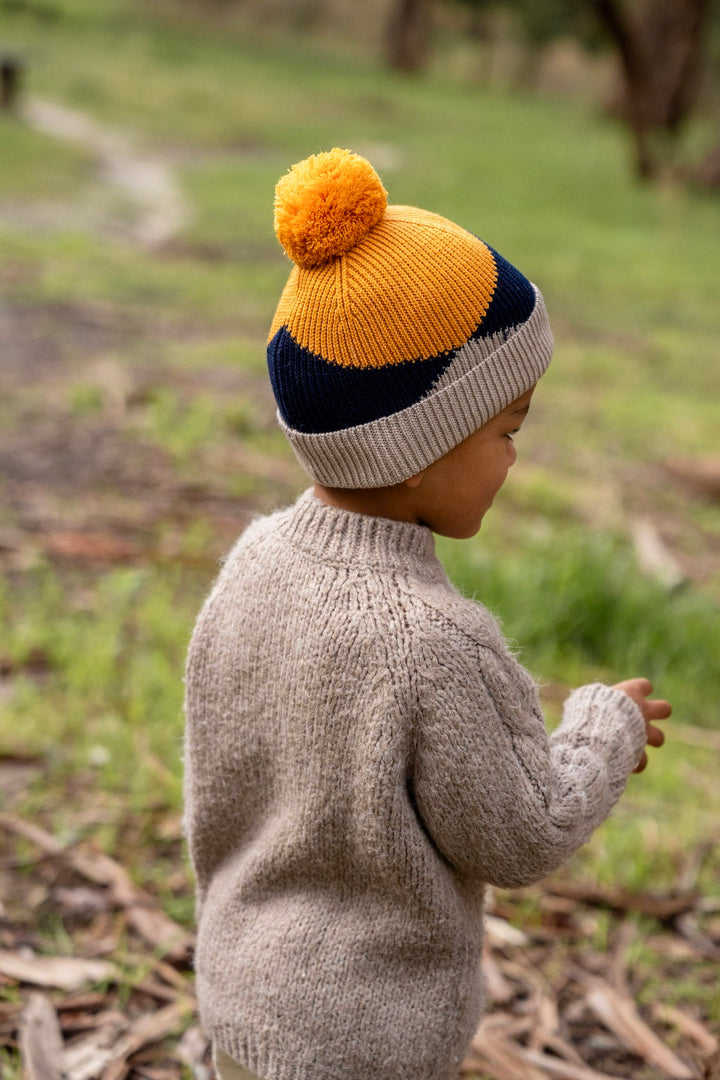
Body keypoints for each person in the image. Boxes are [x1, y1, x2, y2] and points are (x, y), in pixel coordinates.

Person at [183, 148, 670, 1080]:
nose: (515, 459)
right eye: (508, 430)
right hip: (368, 1044)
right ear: (417, 444)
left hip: (243, 1000)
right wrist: (600, 733)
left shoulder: (249, 565)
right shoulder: (433, 641)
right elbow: (522, 832)